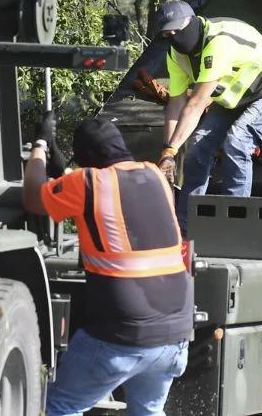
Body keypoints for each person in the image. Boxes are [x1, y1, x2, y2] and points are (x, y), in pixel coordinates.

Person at [23, 115, 192, 416]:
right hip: (175, 334)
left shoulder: (87, 182)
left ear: (86, 161)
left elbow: (34, 198)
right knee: (148, 411)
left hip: (122, 335)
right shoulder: (155, 177)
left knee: (60, 406)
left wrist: (39, 146)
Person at [154, 0, 262, 221]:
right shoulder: (176, 55)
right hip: (234, 96)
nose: (174, 36)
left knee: (237, 142)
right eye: (167, 33)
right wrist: (168, 153)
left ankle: (236, 220)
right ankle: (185, 223)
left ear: (192, 21)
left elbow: (197, 103)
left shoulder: (218, 43)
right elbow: (176, 105)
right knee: (197, 147)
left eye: (178, 29)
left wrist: (172, 149)